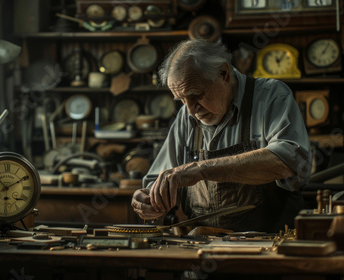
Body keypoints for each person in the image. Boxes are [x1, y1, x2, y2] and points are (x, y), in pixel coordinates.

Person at [131, 38, 312, 232]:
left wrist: (201, 170)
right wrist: (151, 199)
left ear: (224, 74)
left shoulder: (271, 96)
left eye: (196, 95)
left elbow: (289, 162)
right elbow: (159, 179)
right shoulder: (188, 114)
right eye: (182, 100)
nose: (191, 110)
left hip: (269, 247)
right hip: (203, 248)